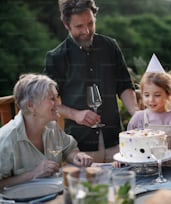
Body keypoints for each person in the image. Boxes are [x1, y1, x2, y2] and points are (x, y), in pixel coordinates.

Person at [44, 0, 139, 162]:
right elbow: (48, 101)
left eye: (90, 23)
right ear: (67, 25)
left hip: (116, 140)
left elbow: (124, 85)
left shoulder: (110, 46)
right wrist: (75, 114)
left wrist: (136, 114)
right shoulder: (56, 57)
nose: (86, 31)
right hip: (80, 146)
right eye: (79, 26)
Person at [0, 73, 93, 190]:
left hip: (53, 195)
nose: (58, 103)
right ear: (30, 105)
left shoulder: (52, 127)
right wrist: (33, 174)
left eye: (57, 97)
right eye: (52, 99)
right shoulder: (6, 139)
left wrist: (77, 156)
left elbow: (69, 149)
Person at [127, 54, 171, 169]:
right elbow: (128, 142)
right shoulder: (138, 118)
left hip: (170, 169)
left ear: (167, 94)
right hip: (143, 168)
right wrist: (121, 159)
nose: (151, 100)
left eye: (157, 95)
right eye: (146, 95)